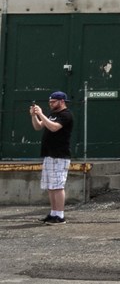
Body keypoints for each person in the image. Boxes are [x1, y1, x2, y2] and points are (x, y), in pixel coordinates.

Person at [29, 91, 73, 223]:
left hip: (60, 155)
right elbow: (38, 126)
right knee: (50, 186)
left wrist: (41, 114)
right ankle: (53, 213)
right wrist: (34, 116)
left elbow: (54, 128)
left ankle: (60, 215)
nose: (51, 104)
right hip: (49, 154)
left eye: (53, 101)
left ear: (62, 101)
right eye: (50, 101)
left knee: (58, 185)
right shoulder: (52, 114)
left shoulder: (66, 115)